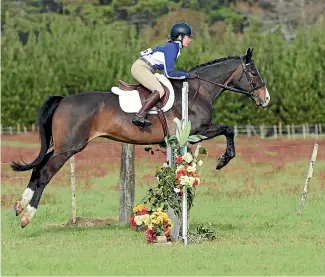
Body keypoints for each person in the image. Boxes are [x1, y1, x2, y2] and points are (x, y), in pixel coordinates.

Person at [131, 22, 197, 128]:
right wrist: (187, 75)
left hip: (144, 67)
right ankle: (140, 115)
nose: (190, 40)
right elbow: (170, 73)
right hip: (141, 68)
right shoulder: (173, 48)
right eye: (188, 37)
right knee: (160, 91)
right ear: (180, 36)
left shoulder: (173, 47)